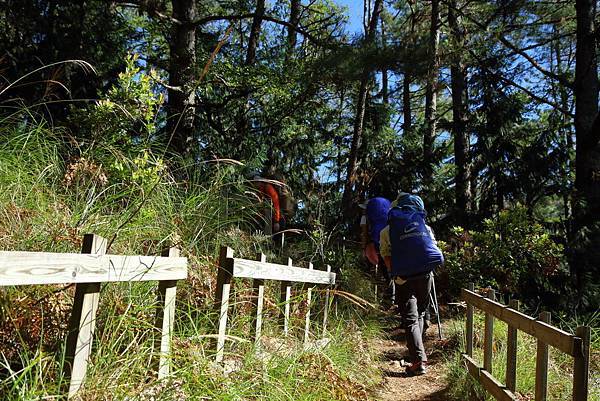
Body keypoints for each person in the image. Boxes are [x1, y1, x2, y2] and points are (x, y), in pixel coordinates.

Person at [379, 191, 444, 376]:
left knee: (409, 318)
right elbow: (432, 248)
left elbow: (386, 256)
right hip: (425, 275)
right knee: (422, 312)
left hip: (403, 278)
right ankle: (420, 354)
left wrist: (396, 274)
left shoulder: (387, 230)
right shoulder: (425, 227)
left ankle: (417, 360)